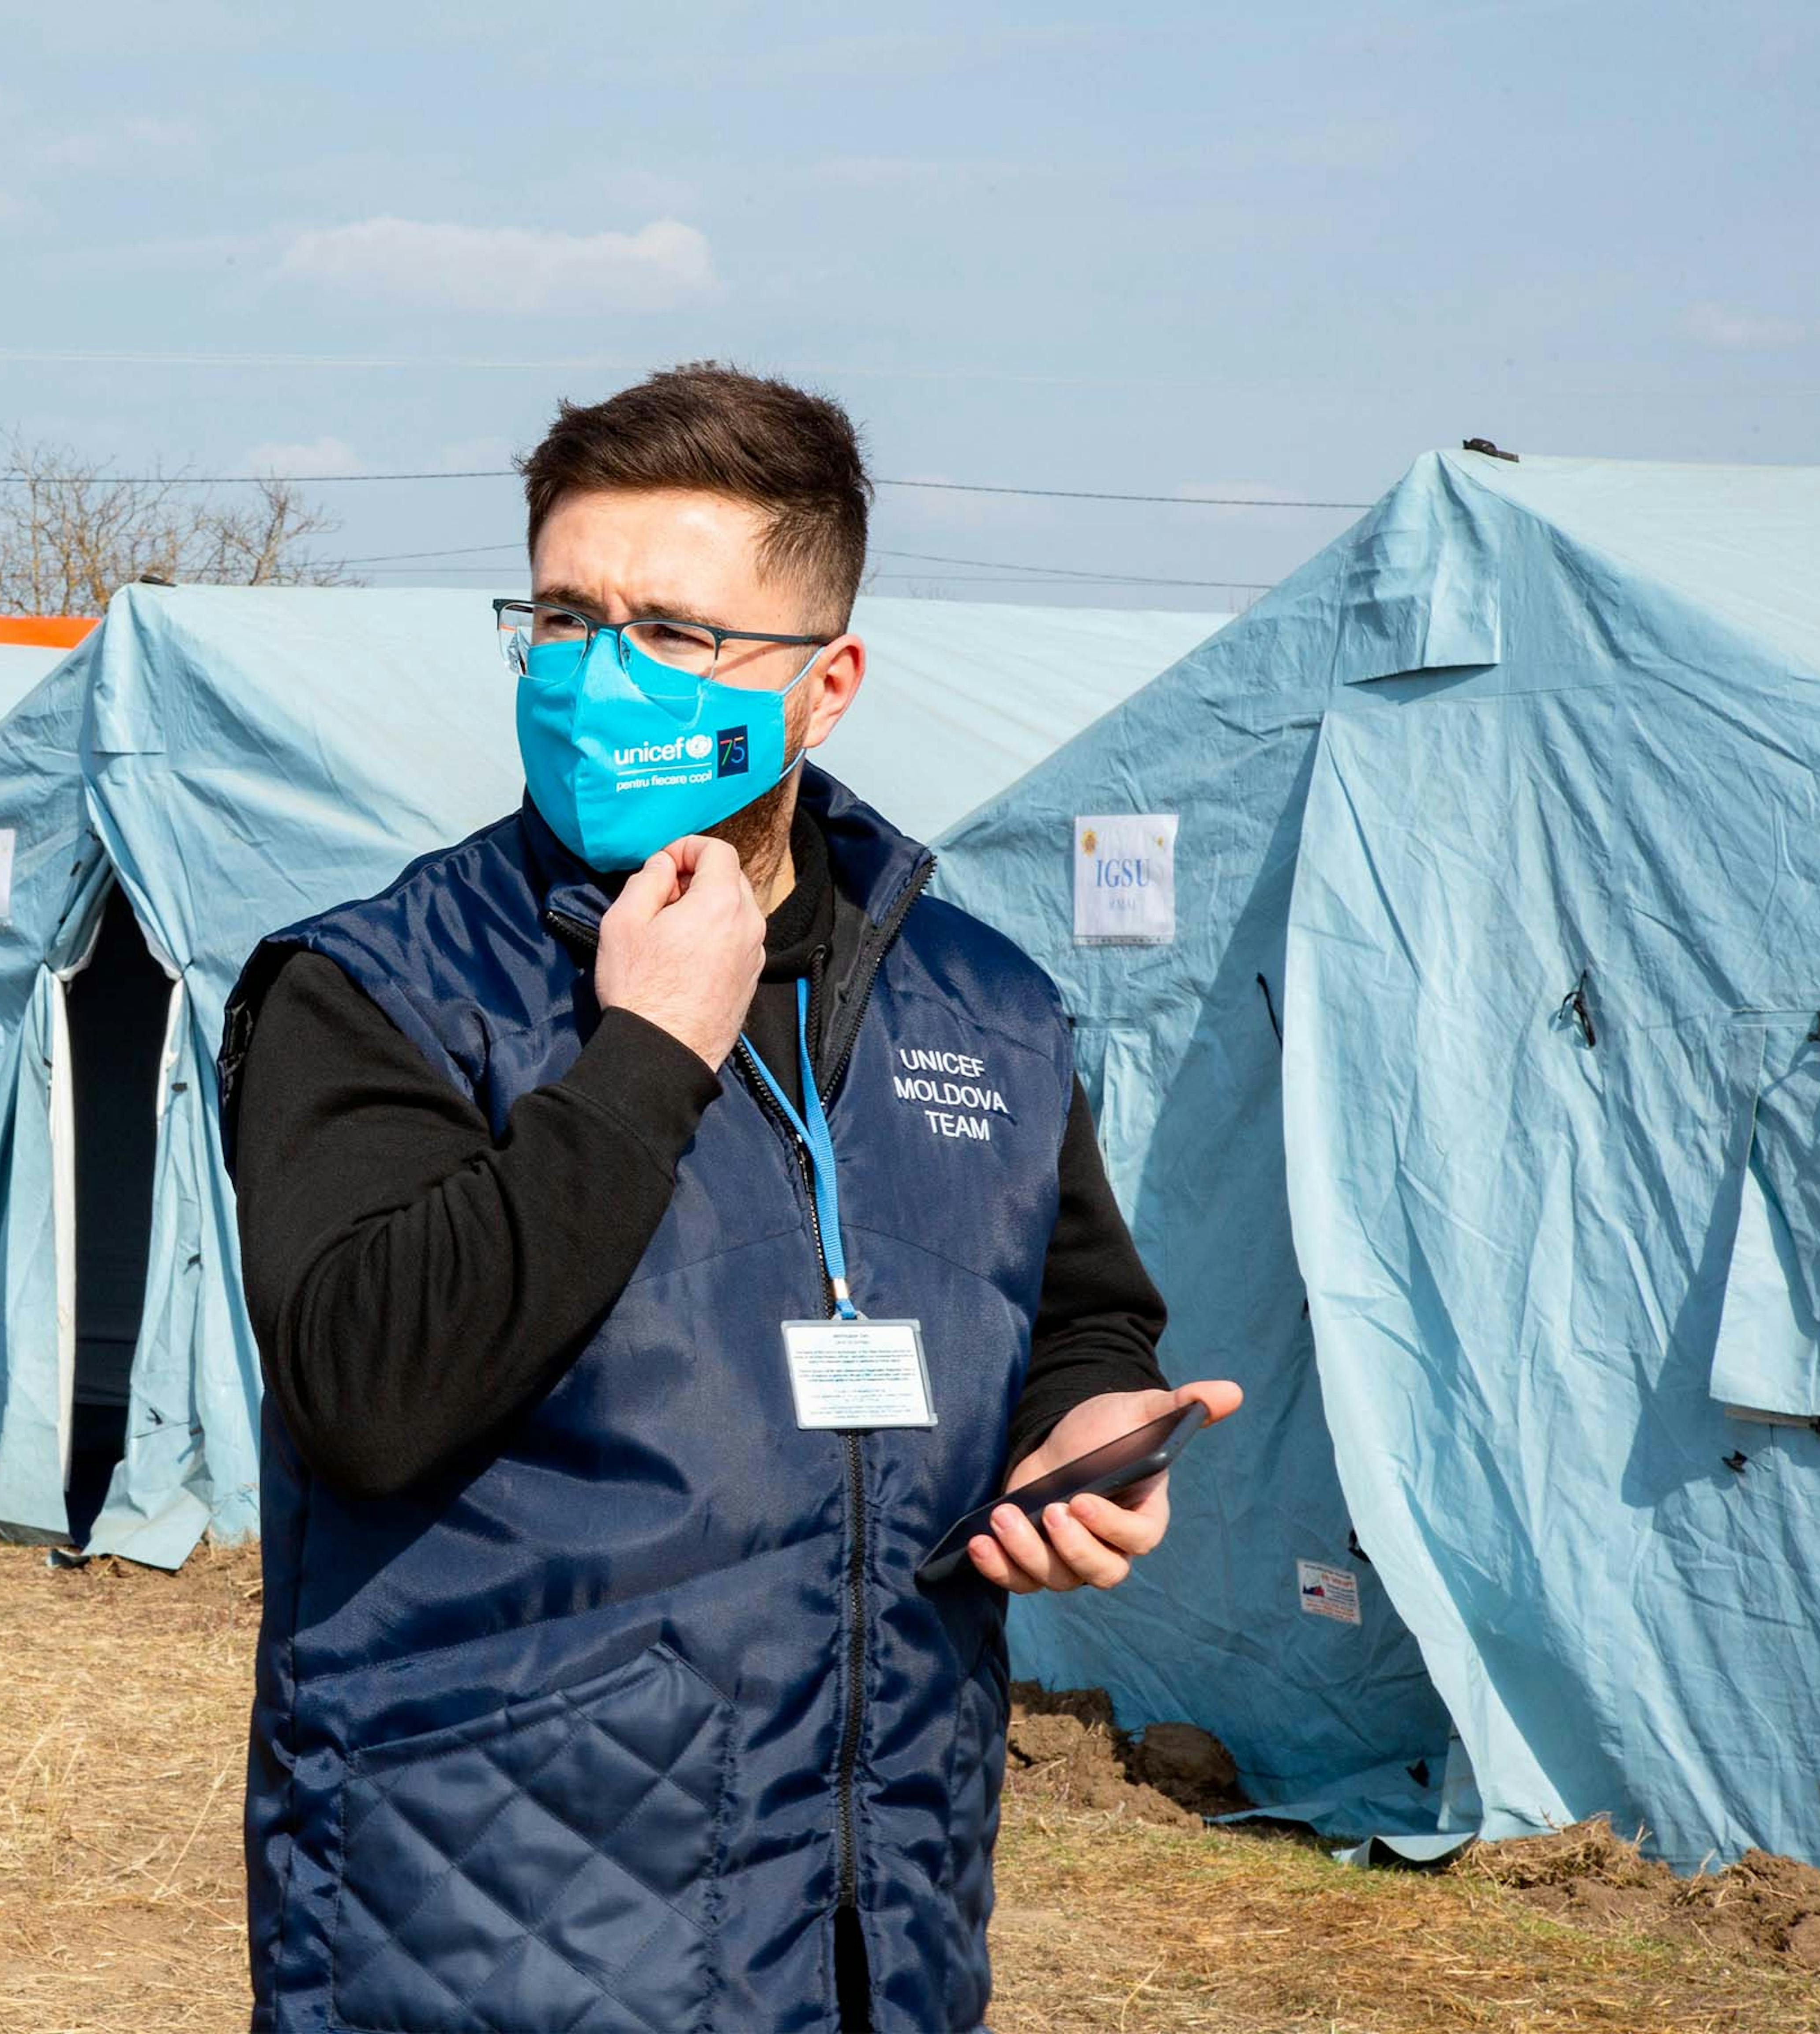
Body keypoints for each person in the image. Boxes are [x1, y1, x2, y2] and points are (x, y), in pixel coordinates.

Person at [221, 364, 1241, 2034]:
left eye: (673, 631)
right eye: (559, 613)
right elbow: (363, 1387)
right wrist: (642, 1054)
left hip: (868, 1924)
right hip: (495, 1935)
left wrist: (1076, 1418)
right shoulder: (384, 986)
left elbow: (1072, 1304)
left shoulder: (978, 1002)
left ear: (823, 683)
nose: (592, 671)